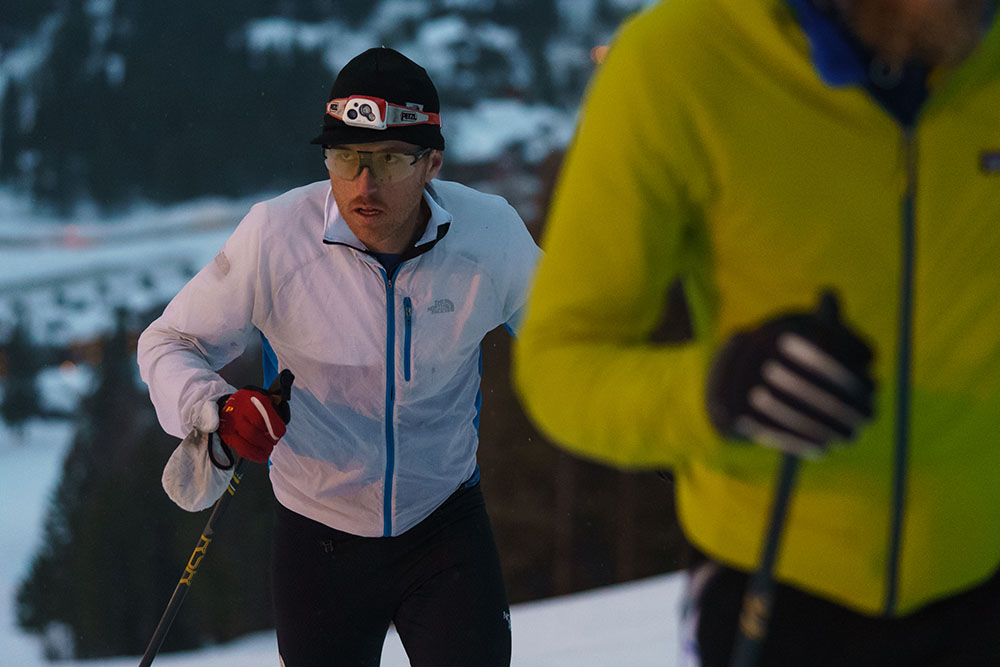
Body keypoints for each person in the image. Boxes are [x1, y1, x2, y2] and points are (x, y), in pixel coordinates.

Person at [514, 0, 1000, 665]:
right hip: (777, 589)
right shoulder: (683, 59)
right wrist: (717, 392)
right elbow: (561, 363)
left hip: (983, 575)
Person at [138, 47, 539, 666]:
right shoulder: (276, 237)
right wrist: (216, 409)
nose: (362, 184)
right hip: (318, 534)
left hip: (444, 523)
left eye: (388, 160)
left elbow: (566, 338)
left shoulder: (491, 237)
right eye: (345, 157)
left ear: (432, 161)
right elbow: (167, 342)